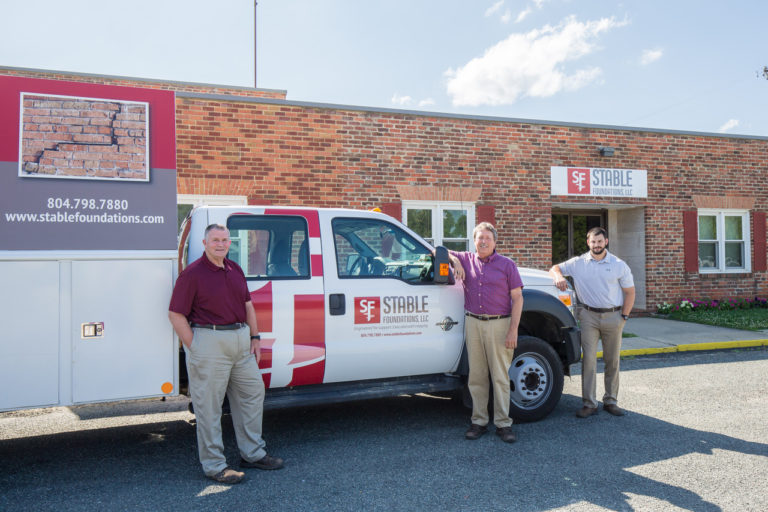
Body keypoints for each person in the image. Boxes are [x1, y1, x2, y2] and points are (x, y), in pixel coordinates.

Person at [168, 224, 284, 484]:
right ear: (205, 243)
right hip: (209, 341)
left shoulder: (234, 269)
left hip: (241, 342)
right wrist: (194, 345)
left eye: (224, 240)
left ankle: (252, 454)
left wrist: (255, 337)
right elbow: (175, 313)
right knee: (209, 407)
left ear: (229, 243)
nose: (220, 244)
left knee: (252, 394)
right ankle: (215, 465)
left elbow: (248, 305)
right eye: (215, 240)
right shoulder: (193, 274)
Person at [448, 222, 524, 443]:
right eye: (479, 238)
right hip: (473, 323)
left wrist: (513, 331)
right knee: (477, 376)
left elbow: (518, 298)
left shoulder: (507, 265)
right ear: (474, 241)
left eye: (487, 238)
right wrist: (454, 261)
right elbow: (436, 251)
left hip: (500, 324)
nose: (483, 242)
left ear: (495, 242)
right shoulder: (466, 259)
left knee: (500, 377)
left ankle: (503, 424)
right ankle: (479, 421)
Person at [549, 227, 635, 418]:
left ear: (606, 242)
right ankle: (589, 403)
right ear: (588, 243)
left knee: (612, 360)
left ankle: (611, 401)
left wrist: (624, 317)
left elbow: (630, 292)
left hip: (613, 317)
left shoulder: (619, 264)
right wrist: (558, 276)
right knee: (588, 360)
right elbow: (555, 268)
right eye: (593, 242)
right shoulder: (578, 263)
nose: (596, 245)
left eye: (600, 241)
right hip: (588, 316)